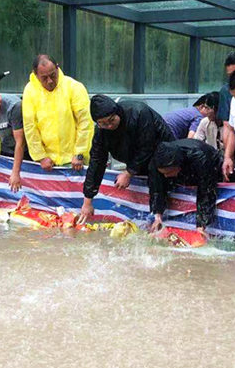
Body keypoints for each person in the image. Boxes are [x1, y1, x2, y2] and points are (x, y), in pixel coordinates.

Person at [77, 95, 175, 224]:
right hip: (133, 156)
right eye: (103, 124)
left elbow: (147, 147)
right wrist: (87, 201)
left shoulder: (139, 113)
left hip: (160, 152)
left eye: (112, 120)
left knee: (155, 171)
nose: (109, 126)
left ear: (118, 113)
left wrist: (129, 172)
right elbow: (97, 162)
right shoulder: (101, 131)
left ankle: (157, 218)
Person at [21, 54, 94, 172]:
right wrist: (41, 157)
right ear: (36, 75)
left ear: (57, 67)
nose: (50, 81)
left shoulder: (74, 87)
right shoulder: (29, 91)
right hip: (47, 163)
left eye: (53, 75)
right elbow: (30, 127)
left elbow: (85, 123)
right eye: (44, 78)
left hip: (75, 161)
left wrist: (80, 153)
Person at [149, 139, 223, 236]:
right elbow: (156, 188)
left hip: (211, 163)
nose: (166, 176)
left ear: (178, 166)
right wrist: (157, 216)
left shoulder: (200, 157)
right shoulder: (155, 163)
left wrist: (201, 225)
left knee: (207, 189)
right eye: (163, 173)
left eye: (168, 173)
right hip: (185, 168)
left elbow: (206, 191)